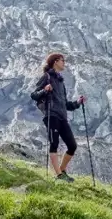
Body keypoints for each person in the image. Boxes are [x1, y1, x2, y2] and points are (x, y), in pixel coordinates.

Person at [30, 53, 85, 182]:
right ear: (55, 62)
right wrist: (45, 90)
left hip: (62, 116)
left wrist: (77, 103)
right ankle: (59, 175)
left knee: (72, 145)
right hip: (51, 115)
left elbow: (66, 104)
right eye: (62, 60)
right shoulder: (47, 77)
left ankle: (62, 170)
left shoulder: (61, 82)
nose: (64, 63)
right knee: (54, 143)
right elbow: (33, 95)